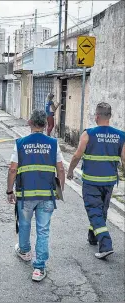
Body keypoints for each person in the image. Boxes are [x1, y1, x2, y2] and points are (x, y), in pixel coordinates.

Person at [7, 109, 65, 282]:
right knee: (43, 229)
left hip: (26, 195)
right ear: (46, 124)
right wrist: (59, 190)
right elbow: (60, 169)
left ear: (29, 123)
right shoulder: (53, 143)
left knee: (24, 224)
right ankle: (39, 268)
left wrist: (9, 190)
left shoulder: (20, 143)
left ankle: (24, 251)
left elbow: (12, 169)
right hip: (47, 194)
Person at [67, 102, 125, 260]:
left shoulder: (88, 133)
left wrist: (70, 171)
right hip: (109, 182)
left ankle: (106, 245)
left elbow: (77, 155)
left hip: (91, 182)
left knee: (94, 212)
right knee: (101, 211)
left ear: (96, 116)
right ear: (110, 116)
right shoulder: (121, 135)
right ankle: (93, 237)